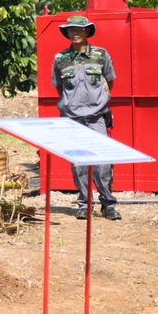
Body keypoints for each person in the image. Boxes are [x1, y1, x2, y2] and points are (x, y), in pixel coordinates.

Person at [52, 13, 120, 221]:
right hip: (73, 119)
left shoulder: (101, 55)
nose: (74, 33)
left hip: (97, 117)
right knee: (79, 164)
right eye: (71, 30)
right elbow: (60, 88)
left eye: (79, 29)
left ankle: (108, 205)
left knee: (103, 163)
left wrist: (98, 100)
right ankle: (84, 203)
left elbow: (110, 80)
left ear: (87, 32)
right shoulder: (60, 59)